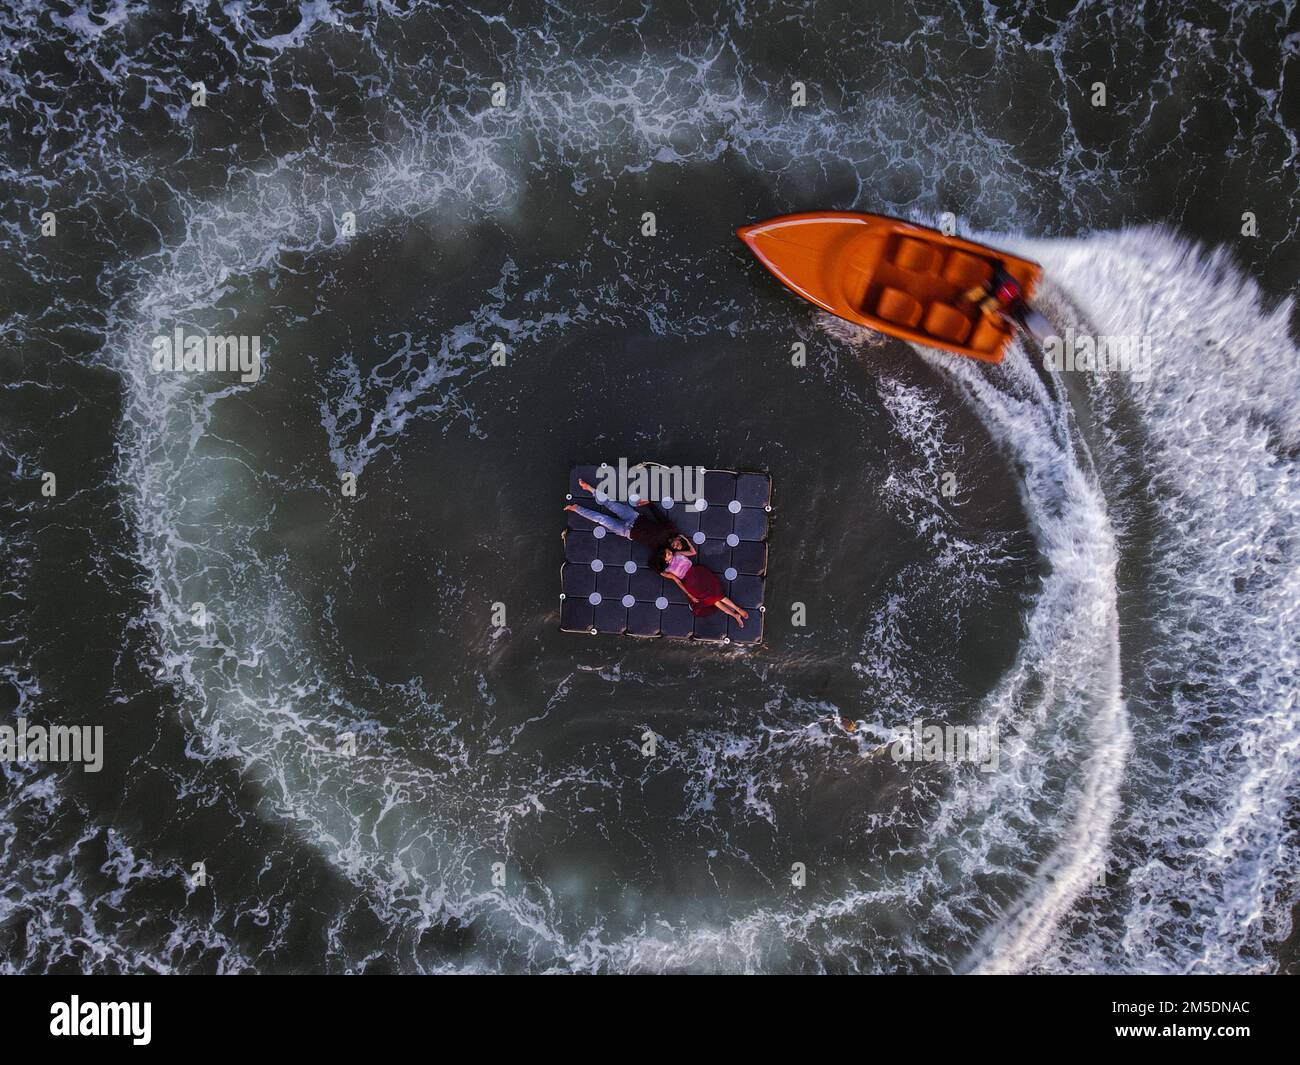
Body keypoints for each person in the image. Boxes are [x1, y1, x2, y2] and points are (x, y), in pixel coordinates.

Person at [565, 478, 681, 551]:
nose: (675, 547)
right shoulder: (670, 528)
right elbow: (659, 516)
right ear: (679, 538)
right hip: (634, 517)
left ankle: (576, 509)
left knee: (601, 519)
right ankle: (589, 488)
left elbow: (656, 563)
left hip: (626, 531)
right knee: (610, 503)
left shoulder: (664, 550)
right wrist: (649, 504)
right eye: (679, 544)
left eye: (677, 549)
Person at [650, 541, 749, 627]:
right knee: (713, 600)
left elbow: (693, 552)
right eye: (668, 553)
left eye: (669, 551)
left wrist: (685, 541)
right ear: (665, 559)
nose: (670, 552)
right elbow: (678, 582)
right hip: (690, 584)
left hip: (698, 573)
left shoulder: (677, 554)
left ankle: (737, 609)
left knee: (717, 595)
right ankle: (735, 615)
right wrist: (689, 595)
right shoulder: (668, 570)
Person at [964, 261, 1051, 342]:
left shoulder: (1008, 305)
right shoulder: (1012, 289)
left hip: (999, 294)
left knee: (985, 303)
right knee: (989, 295)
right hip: (998, 285)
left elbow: (1004, 312)